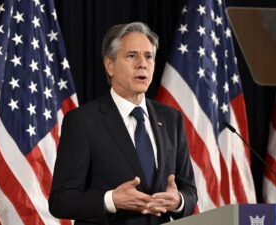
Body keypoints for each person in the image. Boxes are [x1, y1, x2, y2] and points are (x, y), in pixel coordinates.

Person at [49, 22, 197, 225]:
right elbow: (60, 201)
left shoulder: (171, 119)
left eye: (148, 56)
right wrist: (111, 200)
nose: (142, 64)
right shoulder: (83, 121)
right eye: (132, 56)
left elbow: (189, 190)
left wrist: (178, 201)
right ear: (109, 65)